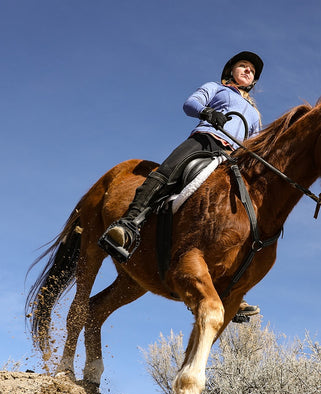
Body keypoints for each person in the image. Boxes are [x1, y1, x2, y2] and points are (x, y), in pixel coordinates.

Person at [99, 51, 264, 317]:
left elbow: (255, 142)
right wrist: (208, 113)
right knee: (168, 172)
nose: (248, 71)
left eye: (252, 71)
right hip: (205, 141)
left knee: (239, 216)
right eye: (242, 66)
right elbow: (191, 103)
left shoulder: (255, 115)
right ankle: (127, 224)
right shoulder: (216, 88)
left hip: (231, 160)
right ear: (230, 72)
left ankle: (228, 286)